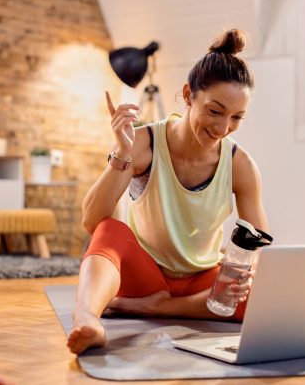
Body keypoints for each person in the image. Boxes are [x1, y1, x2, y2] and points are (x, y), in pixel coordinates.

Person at [67, 29, 270, 355]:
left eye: (236, 118)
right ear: (188, 94)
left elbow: (257, 241)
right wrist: (122, 153)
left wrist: (244, 273)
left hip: (202, 284)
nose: (222, 129)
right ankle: (87, 316)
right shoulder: (144, 142)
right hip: (145, 277)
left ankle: (154, 308)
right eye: (215, 111)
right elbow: (93, 221)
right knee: (111, 229)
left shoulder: (240, 164)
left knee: (265, 292)